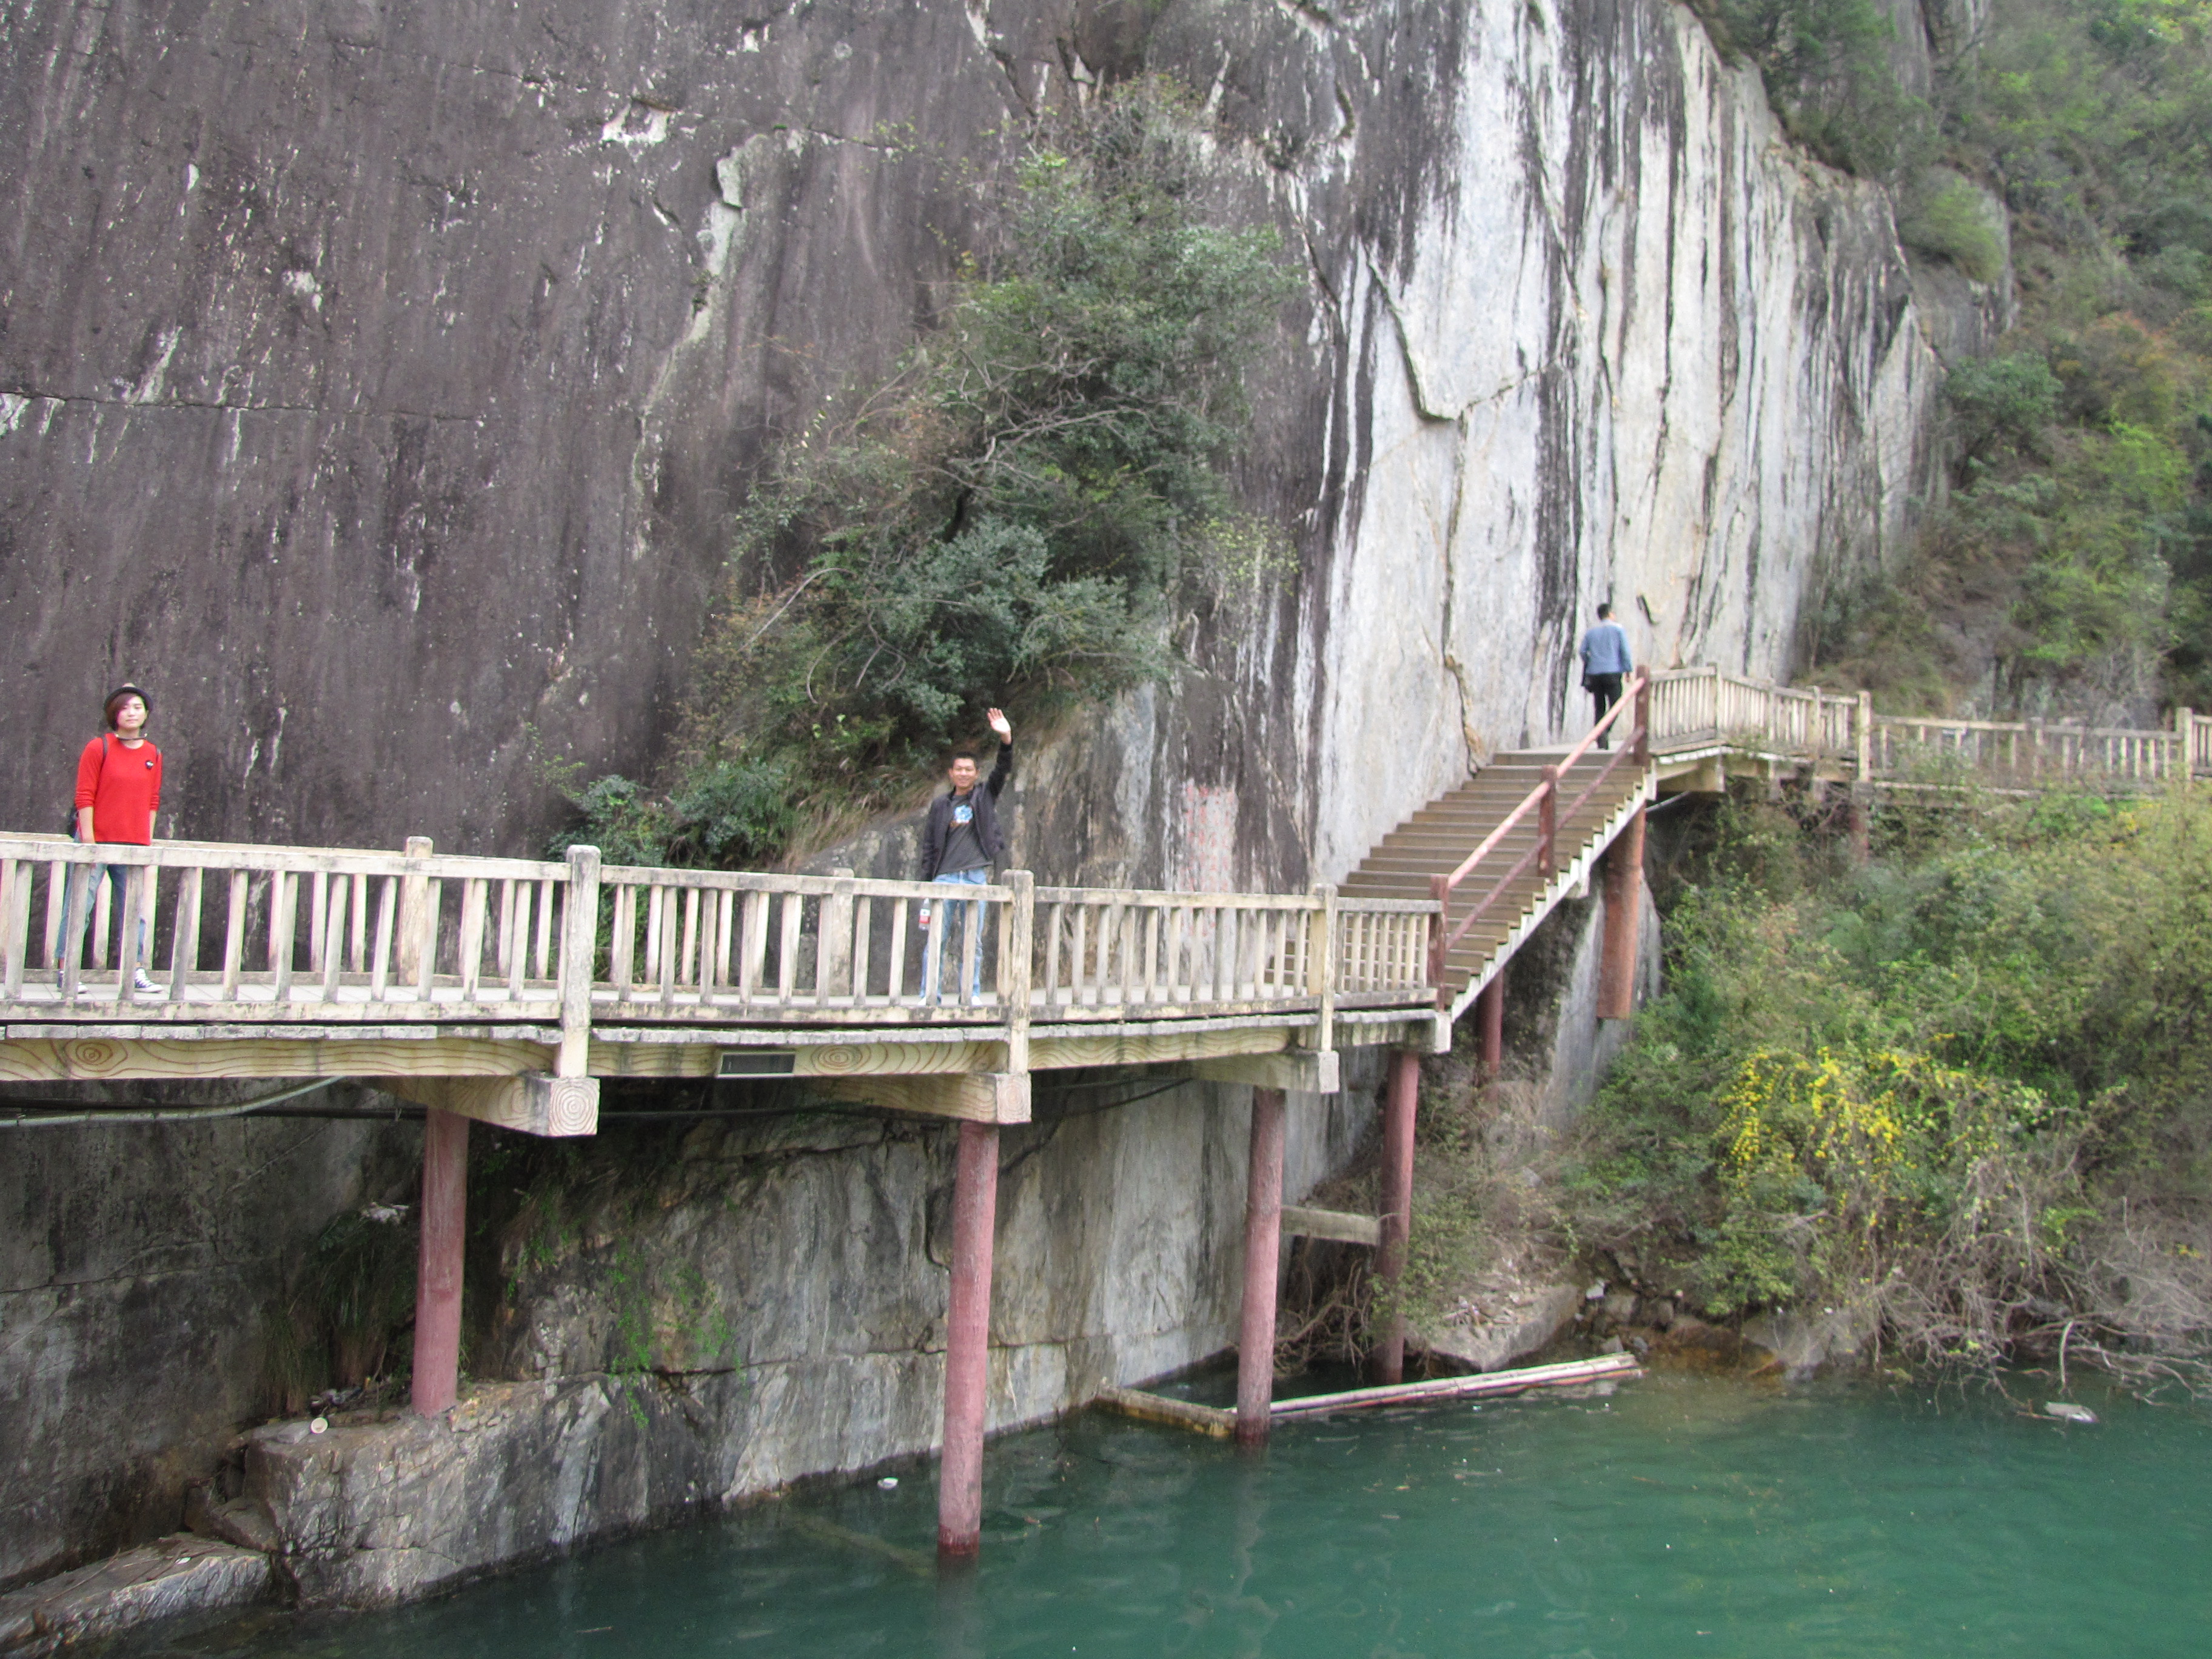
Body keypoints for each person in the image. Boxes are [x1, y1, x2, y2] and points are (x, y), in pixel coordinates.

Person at [59, 685, 164, 993]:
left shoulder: (153, 753)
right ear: (114, 714)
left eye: (138, 707)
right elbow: (84, 796)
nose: (132, 713)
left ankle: (136, 970)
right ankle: (67, 970)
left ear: (146, 713)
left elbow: (152, 800)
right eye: (125, 708)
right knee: (80, 904)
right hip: (96, 838)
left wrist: (147, 840)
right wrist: (90, 842)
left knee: (134, 908)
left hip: (133, 842)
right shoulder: (98, 747)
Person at [919, 708, 1013, 1004]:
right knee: (936, 939)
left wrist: (1006, 738)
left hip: (975, 875)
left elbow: (1003, 770)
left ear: (975, 774)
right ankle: (928, 995)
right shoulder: (940, 806)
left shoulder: (983, 796)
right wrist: (925, 884)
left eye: (968, 769)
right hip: (944, 876)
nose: (963, 773)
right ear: (951, 773)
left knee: (972, 941)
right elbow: (929, 846)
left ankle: (970, 995)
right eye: (958, 769)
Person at [1578, 603, 1634, 748]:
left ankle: (1601, 737)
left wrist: (1591, 662)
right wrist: (1628, 670)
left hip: (1595, 673)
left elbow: (1583, 651)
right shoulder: (1618, 630)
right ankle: (1604, 731)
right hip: (1613, 672)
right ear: (1610, 614)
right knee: (1616, 704)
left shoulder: (1591, 633)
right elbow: (1625, 652)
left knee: (1599, 706)